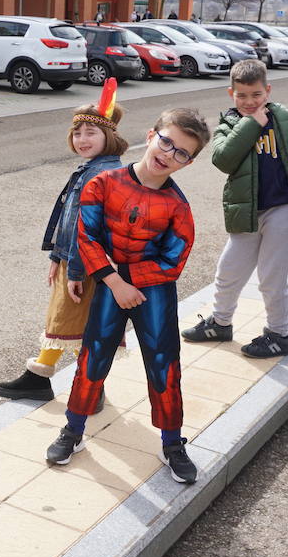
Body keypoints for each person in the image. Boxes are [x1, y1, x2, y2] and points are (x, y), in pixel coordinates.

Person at [44, 106, 212, 485]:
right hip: (109, 284)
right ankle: (73, 430)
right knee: (93, 358)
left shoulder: (178, 207)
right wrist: (114, 282)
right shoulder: (102, 184)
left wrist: (124, 279)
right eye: (166, 142)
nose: (168, 154)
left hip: (153, 291)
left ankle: (171, 442)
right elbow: (86, 236)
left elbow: (174, 260)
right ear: (152, 133)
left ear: (188, 163)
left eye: (181, 153)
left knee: (164, 365)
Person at [182, 59, 288, 357]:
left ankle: (278, 335)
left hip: (284, 211)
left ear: (268, 90)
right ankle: (220, 323)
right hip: (246, 212)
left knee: (271, 277)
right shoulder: (228, 125)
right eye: (242, 95)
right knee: (228, 270)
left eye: (256, 95)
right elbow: (224, 159)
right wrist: (251, 123)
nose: (249, 101)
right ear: (230, 93)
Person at [0, 88, 127, 401]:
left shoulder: (103, 172)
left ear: (108, 135)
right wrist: (58, 256)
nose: (82, 139)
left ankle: (91, 390)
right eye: (77, 132)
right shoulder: (94, 167)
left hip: (88, 265)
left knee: (84, 326)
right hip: (78, 260)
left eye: (91, 132)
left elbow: (89, 229)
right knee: (64, 319)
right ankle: (40, 376)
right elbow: (70, 223)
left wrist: (75, 272)